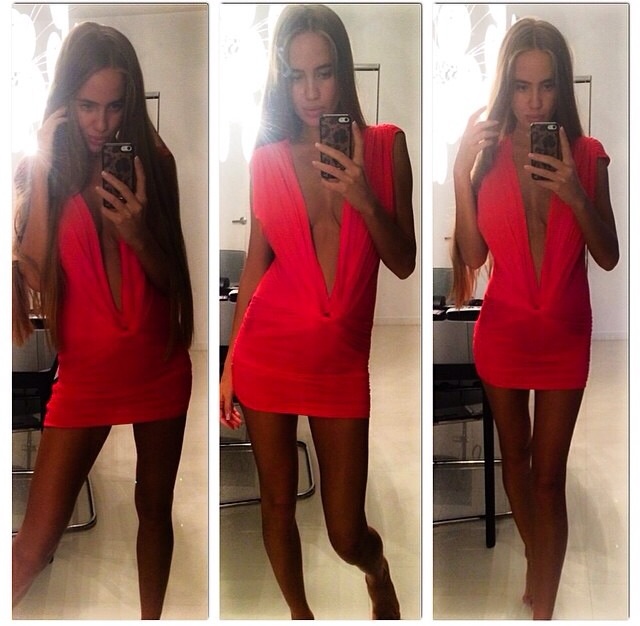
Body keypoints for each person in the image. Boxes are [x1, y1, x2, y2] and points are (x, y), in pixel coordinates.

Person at [219, 4, 416, 619]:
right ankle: (300, 616)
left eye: (323, 73)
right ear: (281, 80)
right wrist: (229, 364)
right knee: (275, 505)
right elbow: (256, 265)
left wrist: (363, 196)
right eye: (296, 76)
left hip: (340, 367)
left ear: (343, 72)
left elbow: (404, 261)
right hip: (267, 353)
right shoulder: (267, 159)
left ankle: (376, 569)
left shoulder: (385, 147)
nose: (309, 92)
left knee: (346, 531)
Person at [12, 22, 194, 619]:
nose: (101, 123)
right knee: (33, 546)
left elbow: (174, 284)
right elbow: (35, 275)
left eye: (115, 106)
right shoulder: (48, 168)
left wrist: (137, 231)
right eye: (87, 106)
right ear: (66, 100)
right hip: (85, 378)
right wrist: (42, 168)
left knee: (154, 512)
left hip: (158, 369)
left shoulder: (156, 163)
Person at [451, 18, 618, 619]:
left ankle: (543, 601)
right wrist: (459, 173)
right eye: (521, 87)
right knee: (515, 462)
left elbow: (608, 254)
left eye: (546, 86)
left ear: (561, 87)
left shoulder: (588, 156)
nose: (534, 101)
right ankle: (536, 557)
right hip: (503, 334)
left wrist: (574, 191)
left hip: (566, 336)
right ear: (506, 87)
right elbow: (473, 257)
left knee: (550, 477)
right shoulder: (489, 157)